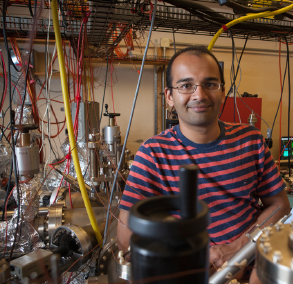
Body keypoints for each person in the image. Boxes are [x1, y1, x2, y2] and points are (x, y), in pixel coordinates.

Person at [117, 46, 290, 283]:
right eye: (186, 85)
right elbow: (125, 237)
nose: (199, 95)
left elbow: (280, 205)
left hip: (254, 265)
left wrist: (240, 249)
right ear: (169, 96)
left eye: (210, 84)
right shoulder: (152, 154)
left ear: (223, 91)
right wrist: (192, 260)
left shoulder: (250, 140)